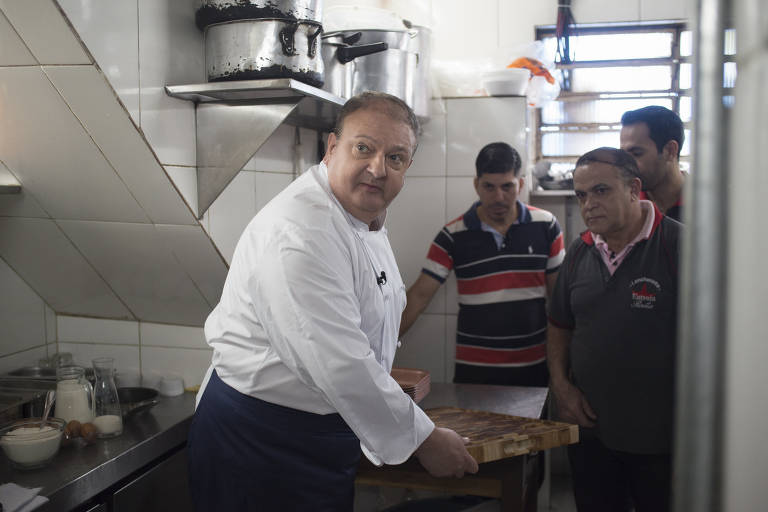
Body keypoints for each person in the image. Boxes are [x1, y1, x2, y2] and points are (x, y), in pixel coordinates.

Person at [187, 92, 478, 511]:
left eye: (395, 158)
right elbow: (339, 362)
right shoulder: (300, 234)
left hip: (312, 434)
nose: (377, 168)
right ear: (332, 148)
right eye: (364, 148)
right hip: (260, 442)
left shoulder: (358, 216)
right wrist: (423, 439)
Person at [547, 147, 681, 512]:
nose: (589, 204)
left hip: (660, 441)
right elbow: (560, 324)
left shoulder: (677, 246)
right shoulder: (579, 251)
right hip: (591, 435)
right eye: (581, 195)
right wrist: (561, 386)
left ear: (634, 188)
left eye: (601, 190)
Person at [400, 142, 565, 386]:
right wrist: (374, 348)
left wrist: (562, 372)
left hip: (535, 371)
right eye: (489, 187)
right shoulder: (452, 236)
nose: (499, 197)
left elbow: (560, 303)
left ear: (520, 184)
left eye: (507, 186)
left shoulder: (546, 226)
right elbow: (418, 298)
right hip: (475, 374)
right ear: (477, 185)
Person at [620, 105, 686, 221]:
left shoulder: (709, 205)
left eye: (637, 153)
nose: (626, 164)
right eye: (623, 155)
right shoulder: (624, 207)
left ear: (670, 150)